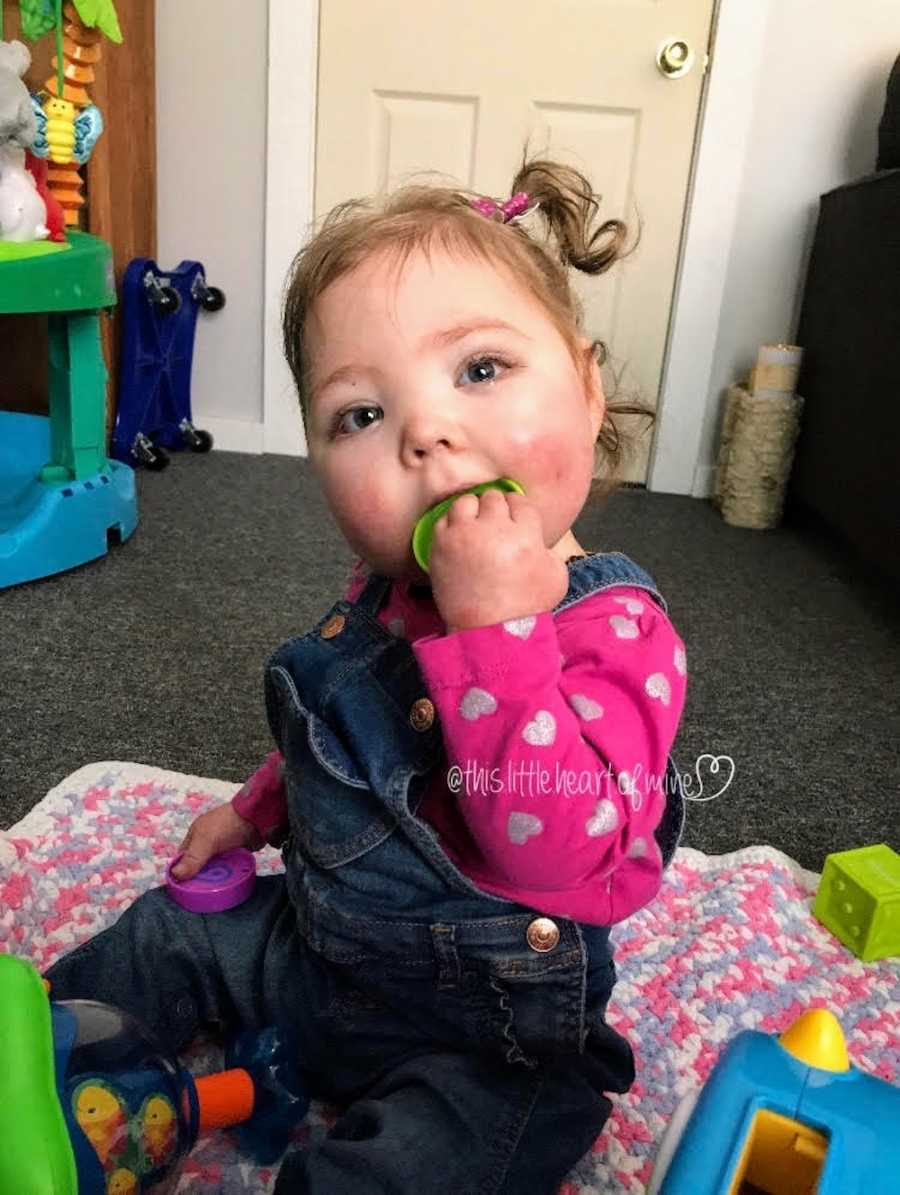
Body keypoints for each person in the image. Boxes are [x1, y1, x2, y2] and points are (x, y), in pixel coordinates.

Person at [46, 149, 689, 1193]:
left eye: (480, 369)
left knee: (440, 1155)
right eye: (360, 415)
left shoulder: (619, 631)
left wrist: (495, 634)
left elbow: (552, 856)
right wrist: (258, 810)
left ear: (586, 383)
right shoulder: (386, 581)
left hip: (491, 1028)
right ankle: (29, 1061)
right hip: (319, 954)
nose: (426, 434)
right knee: (168, 932)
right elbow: (350, 734)